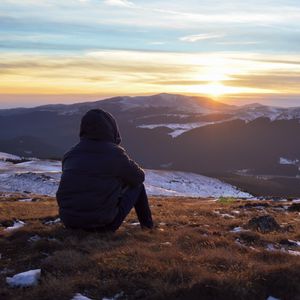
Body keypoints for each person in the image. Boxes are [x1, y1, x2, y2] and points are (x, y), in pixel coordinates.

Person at [56, 109, 153, 232]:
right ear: (111, 129)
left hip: (69, 222)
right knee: (138, 186)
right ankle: (148, 227)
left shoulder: (70, 154)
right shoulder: (114, 154)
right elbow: (139, 177)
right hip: (102, 226)